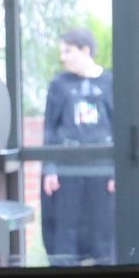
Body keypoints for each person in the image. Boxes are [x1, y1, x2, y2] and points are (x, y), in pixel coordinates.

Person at [41, 26, 116, 264]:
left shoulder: (110, 82)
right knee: (66, 229)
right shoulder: (59, 84)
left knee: (104, 231)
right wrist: (50, 168)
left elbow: (120, 127)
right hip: (68, 166)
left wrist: (116, 171)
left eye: (68, 51)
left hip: (101, 166)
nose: (62, 57)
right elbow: (50, 128)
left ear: (85, 51)